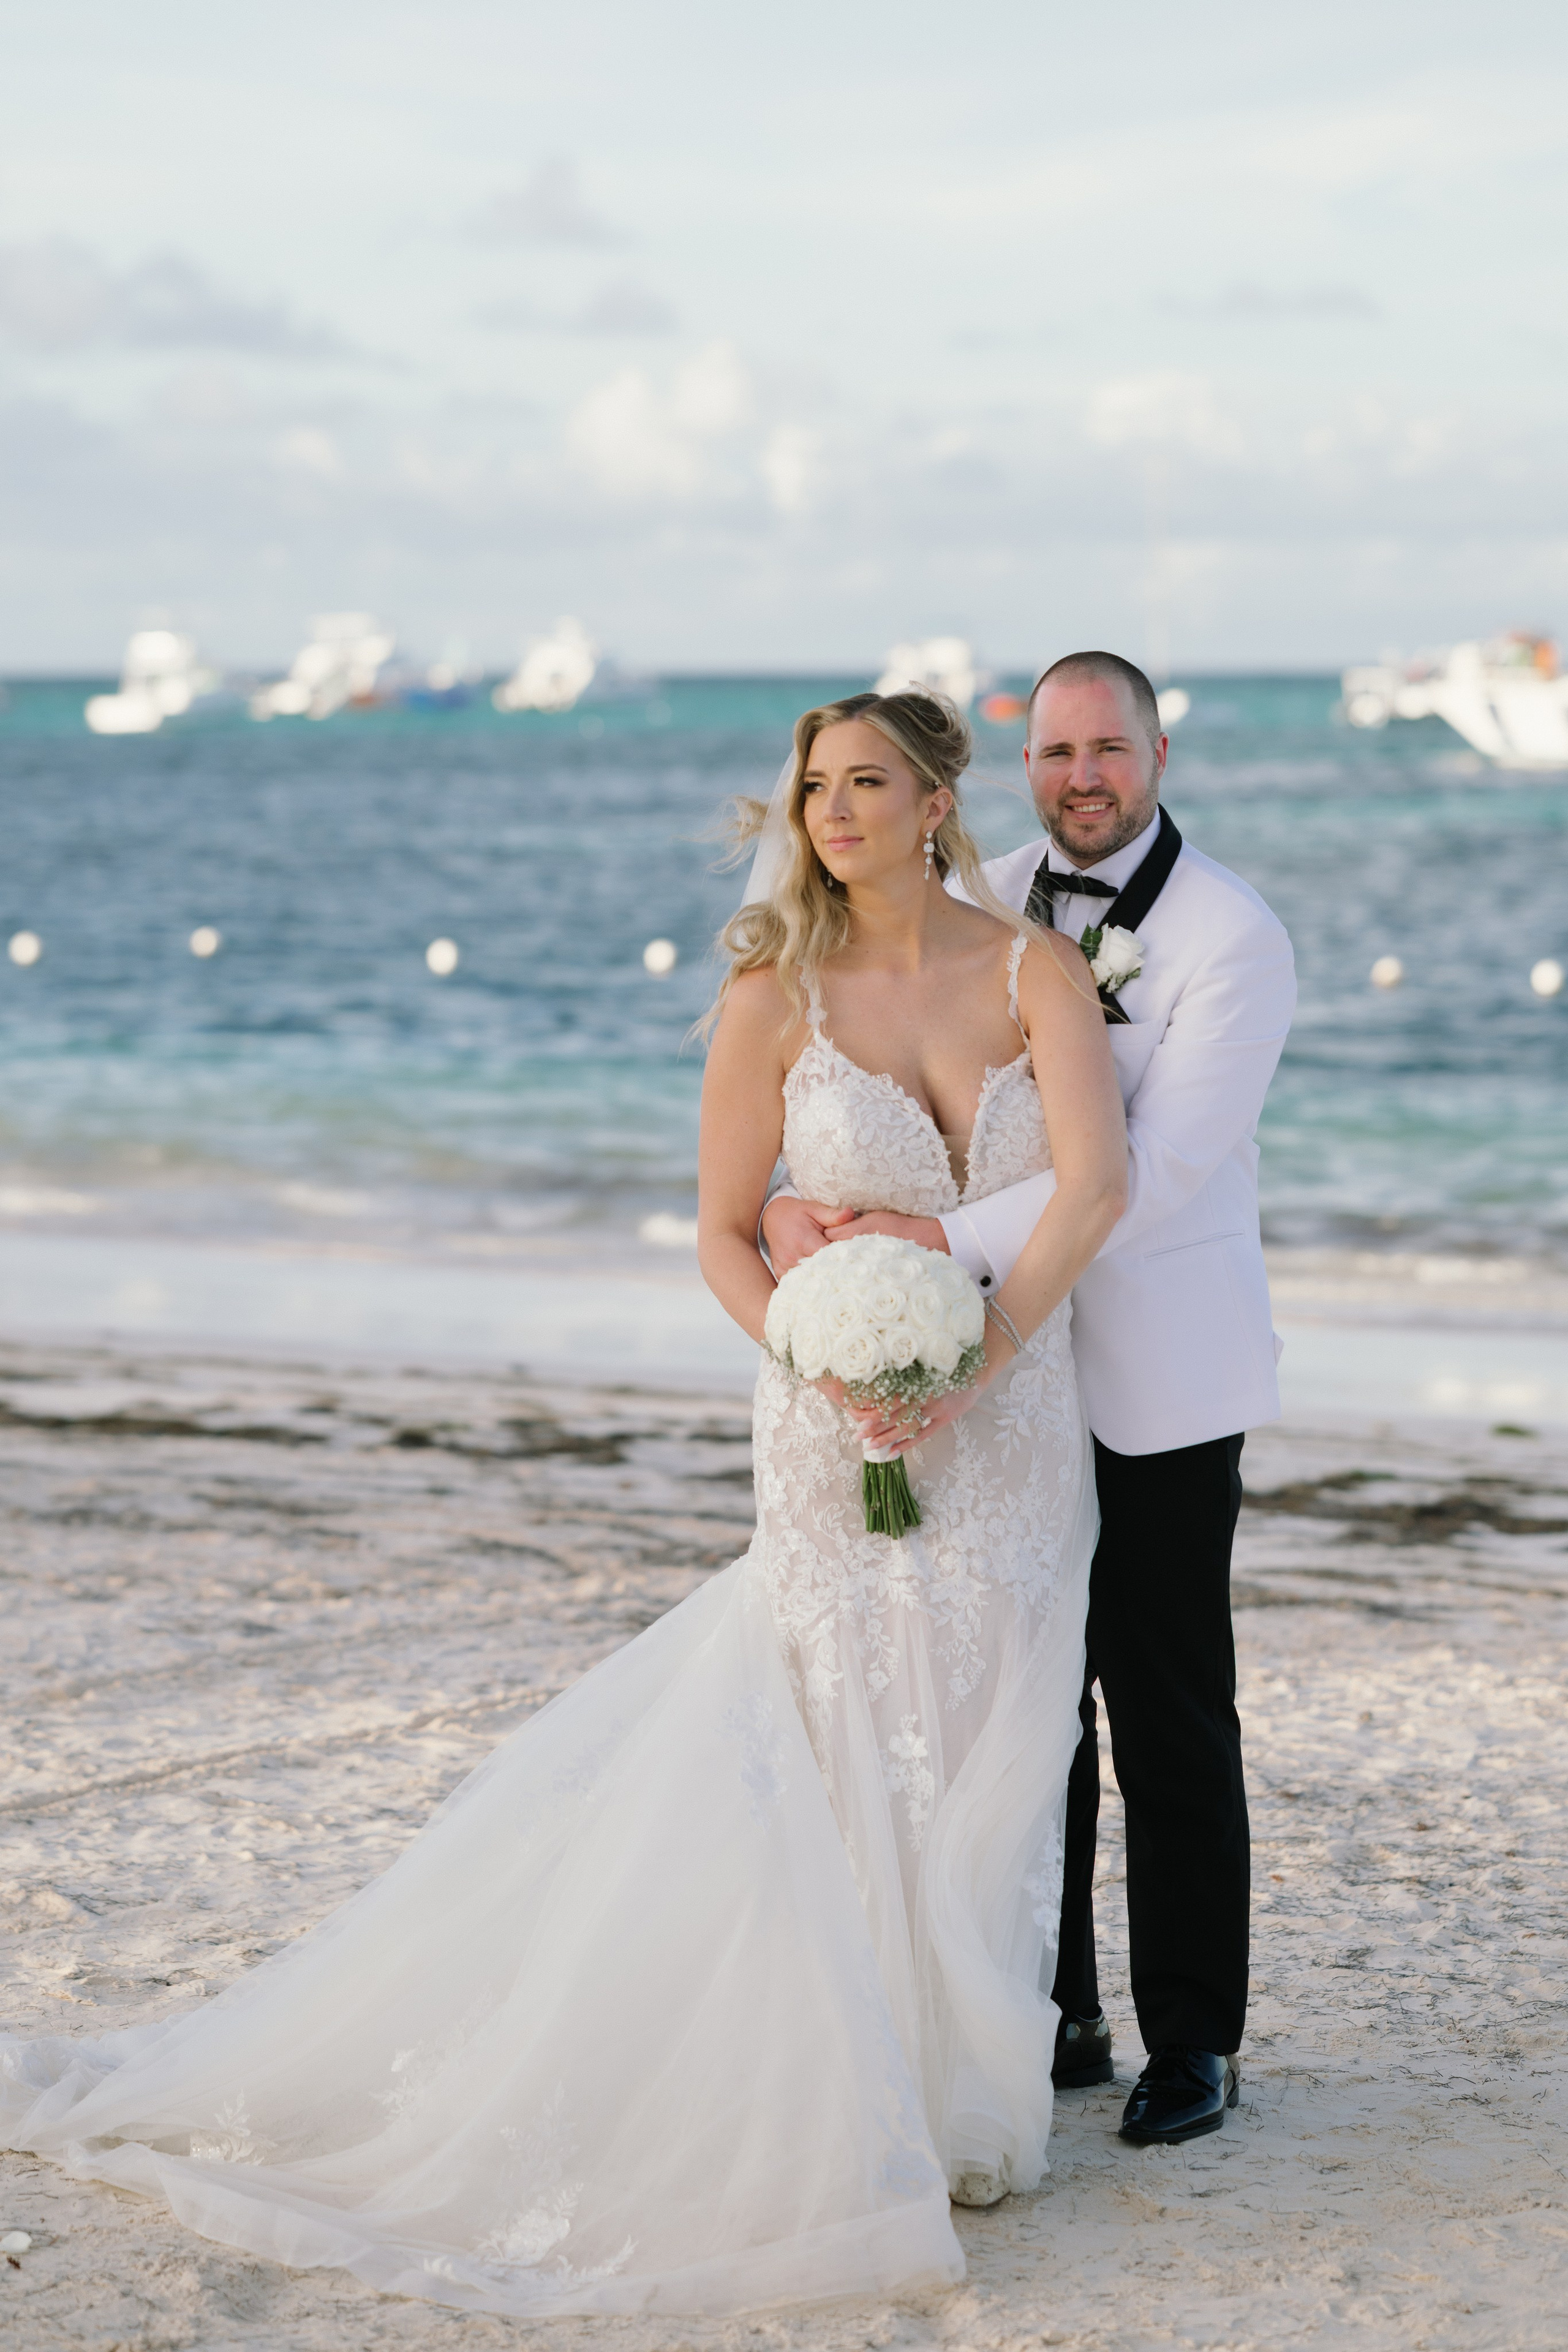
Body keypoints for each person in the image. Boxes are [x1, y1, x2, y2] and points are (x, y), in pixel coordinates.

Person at [1, 690, 1126, 2320]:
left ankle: (967, 2099)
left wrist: (979, 1364)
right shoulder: (771, 993)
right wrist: (822, 1364)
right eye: (814, 784)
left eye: (868, 782)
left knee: (996, 1736)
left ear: (940, 800)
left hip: (1015, 1420)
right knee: (839, 1729)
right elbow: (724, 1233)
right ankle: (855, 2092)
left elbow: (1093, 1185)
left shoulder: (1037, 970)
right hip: (831, 1424)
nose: (833, 810)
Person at [764, 652, 1296, 2147]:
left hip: (1155, 1379)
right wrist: (808, 1214)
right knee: (1014, 1697)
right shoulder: (985, 901)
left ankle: (1195, 2039)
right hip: (996, 1379)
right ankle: (1048, 2005)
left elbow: (1154, 1171)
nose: (1079, 775)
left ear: (1155, 751)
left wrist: (929, 1254)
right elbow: (894, 1082)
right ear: (1017, 768)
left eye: (1105, 750)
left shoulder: (1230, 939)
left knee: (1167, 1705)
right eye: (1055, 750)